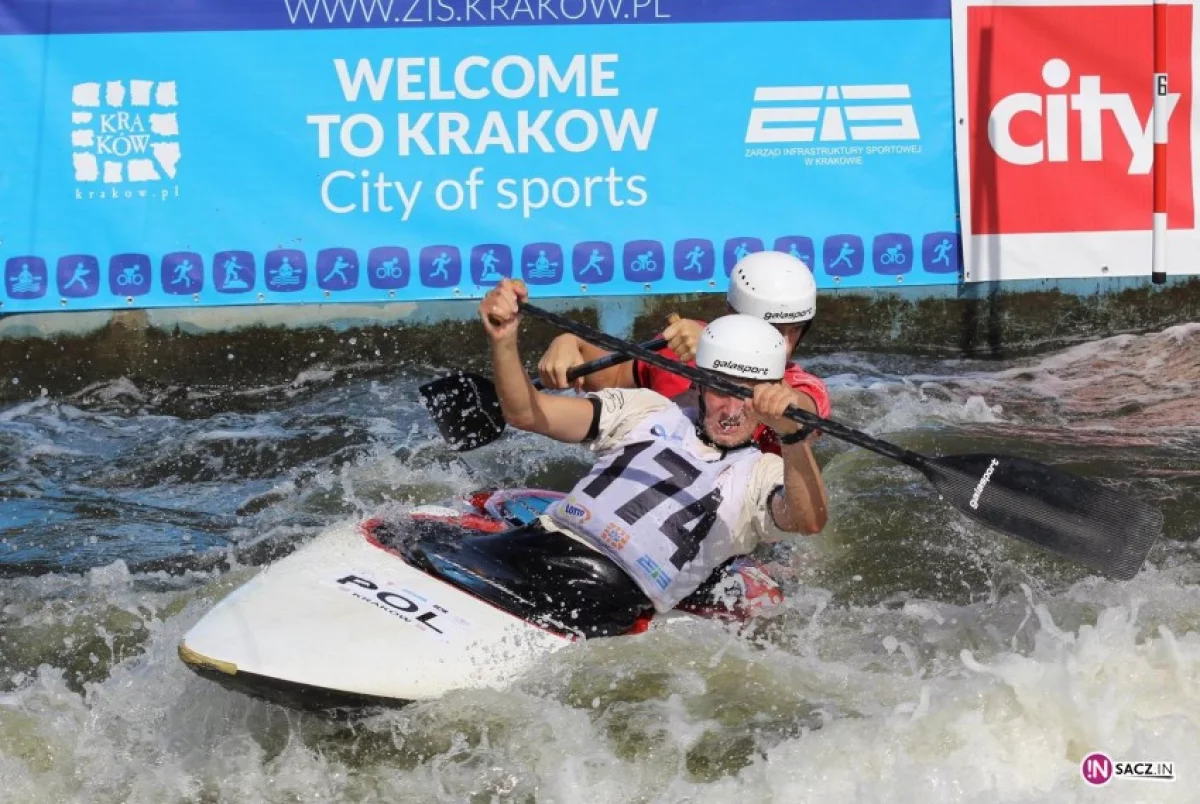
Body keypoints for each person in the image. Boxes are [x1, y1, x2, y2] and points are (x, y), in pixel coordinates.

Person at [459, 278, 828, 634]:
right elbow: (527, 414)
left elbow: (808, 520)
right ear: (697, 381)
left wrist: (790, 431)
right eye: (720, 389)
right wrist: (504, 339)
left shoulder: (763, 472)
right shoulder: (645, 408)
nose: (732, 410)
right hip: (533, 544)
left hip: (604, 590)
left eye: (748, 395)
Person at [537, 250, 830, 455]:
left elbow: (799, 414)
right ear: (730, 313)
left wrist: (720, 353)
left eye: (795, 330)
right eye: (773, 329)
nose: (786, 343)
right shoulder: (679, 348)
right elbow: (608, 376)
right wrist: (570, 344)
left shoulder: (804, 388)